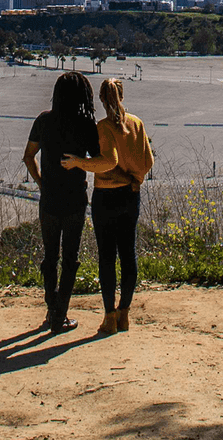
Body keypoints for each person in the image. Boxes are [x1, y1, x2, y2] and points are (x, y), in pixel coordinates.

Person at [62, 78, 154, 335]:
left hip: (106, 197)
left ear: (102, 100)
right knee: (128, 254)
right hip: (131, 195)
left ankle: (109, 317)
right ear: (122, 95)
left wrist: (80, 163)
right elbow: (147, 161)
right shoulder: (136, 124)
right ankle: (125, 313)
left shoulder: (103, 127)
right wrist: (134, 180)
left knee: (106, 258)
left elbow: (108, 161)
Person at [23, 71, 100, 333]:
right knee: (70, 258)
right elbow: (98, 161)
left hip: (49, 199)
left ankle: (50, 308)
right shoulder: (86, 123)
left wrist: (42, 182)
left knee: (50, 257)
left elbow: (28, 156)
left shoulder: (44, 121)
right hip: (75, 199)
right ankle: (60, 315)